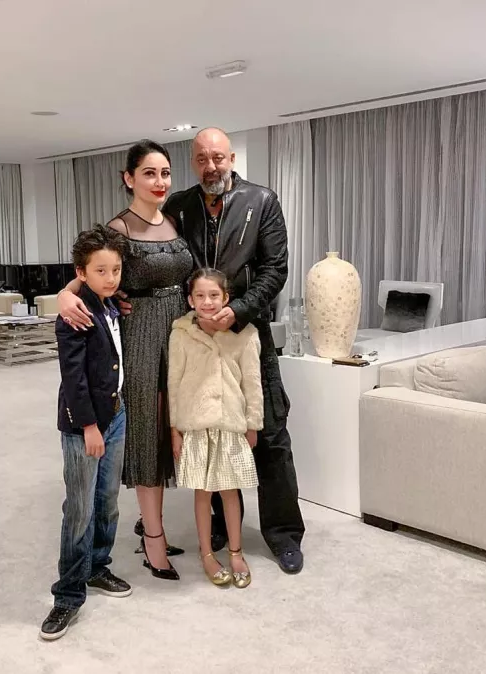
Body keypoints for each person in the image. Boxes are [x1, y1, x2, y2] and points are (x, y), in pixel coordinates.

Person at [163, 128, 306, 574]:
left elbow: (275, 268)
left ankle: (284, 533)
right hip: (200, 339)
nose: (211, 167)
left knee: (270, 434)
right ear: (194, 162)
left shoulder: (261, 201)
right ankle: (225, 529)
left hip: (247, 335)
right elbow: (161, 262)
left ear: (231, 158)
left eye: (218, 158)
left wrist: (238, 310)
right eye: (202, 159)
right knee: (213, 434)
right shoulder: (178, 206)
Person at [57, 140, 194, 580]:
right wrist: (64, 294)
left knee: (172, 429)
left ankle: (147, 526)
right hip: (140, 338)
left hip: (179, 332)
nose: (159, 181)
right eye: (149, 173)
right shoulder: (118, 228)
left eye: (165, 173)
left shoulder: (173, 220)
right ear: (129, 178)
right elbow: (89, 270)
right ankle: (153, 538)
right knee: (147, 434)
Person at [40, 226, 132, 642]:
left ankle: (97, 566)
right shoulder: (74, 313)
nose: (111, 278)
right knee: (80, 508)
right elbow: (73, 378)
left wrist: (111, 418)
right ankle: (68, 594)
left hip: (116, 414)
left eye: (116, 269)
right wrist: (89, 426)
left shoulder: (112, 304)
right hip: (86, 425)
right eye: (100, 271)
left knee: (108, 501)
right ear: (81, 272)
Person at [168, 268, 263, 589]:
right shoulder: (181, 334)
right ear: (190, 300)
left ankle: (236, 552)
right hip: (196, 426)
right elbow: (174, 383)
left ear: (226, 298)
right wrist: (175, 429)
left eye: (213, 295)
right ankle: (207, 553)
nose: (207, 302)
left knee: (230, 491)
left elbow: (253, 383)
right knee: (203, 491)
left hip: (231, 424)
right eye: (200, 295)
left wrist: (253, 424)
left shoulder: (245, 334)